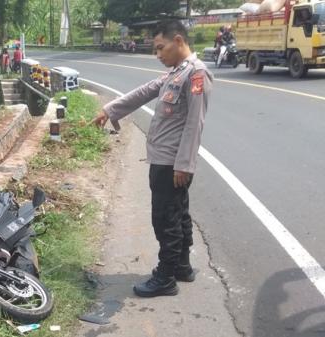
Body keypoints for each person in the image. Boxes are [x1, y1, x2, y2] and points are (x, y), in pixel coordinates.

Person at [92, 20, 214, 298]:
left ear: (179, 41)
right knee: (179, 213)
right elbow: (144, 91)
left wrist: (184, 164)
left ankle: (166, 278)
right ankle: (181, 266)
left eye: (160, 48)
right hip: (165, 160)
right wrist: (110, 110)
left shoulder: (196, 74)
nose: (157, 54)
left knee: (165, 219)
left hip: (172, 163)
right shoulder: (177, 73)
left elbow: (195, 124)